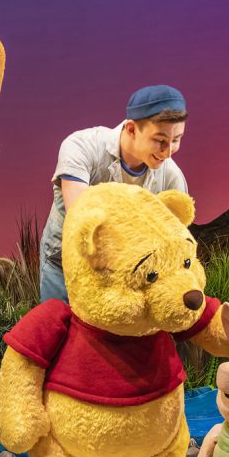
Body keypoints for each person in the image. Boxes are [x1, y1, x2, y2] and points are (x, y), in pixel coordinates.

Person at [39, 85, 188, 303]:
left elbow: (174, 242)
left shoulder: (171, 178)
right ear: (131, 129)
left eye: (176, 140)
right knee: (57, 321)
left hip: (130, 273)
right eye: (160, 141)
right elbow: (81, 217)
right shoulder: (81, 147)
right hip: (63, 259)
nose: (168, 153)